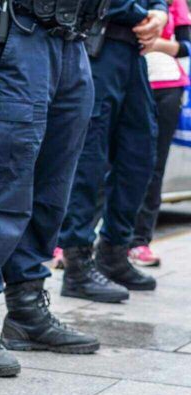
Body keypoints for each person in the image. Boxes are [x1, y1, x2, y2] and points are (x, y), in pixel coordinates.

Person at [0, 0, 106, 378]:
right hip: (19, 28)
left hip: (74, 39)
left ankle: (26, 309)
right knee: (2, 183)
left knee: (53, 187)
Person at [59, 0, 168, 301]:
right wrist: (144, 15)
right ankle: (77, 265)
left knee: (140, 155)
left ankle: (114, 252)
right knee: (89, 162)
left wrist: (160, 12)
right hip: (97, 47)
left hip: (133, 54)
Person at [130, 0, 191, 266]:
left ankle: (140, 241)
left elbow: (186, 46)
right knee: (107, 162)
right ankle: (77, 242)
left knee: (154, 166)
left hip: (166, 87)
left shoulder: (175, 3)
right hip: (125, 79)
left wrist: (156, 44)